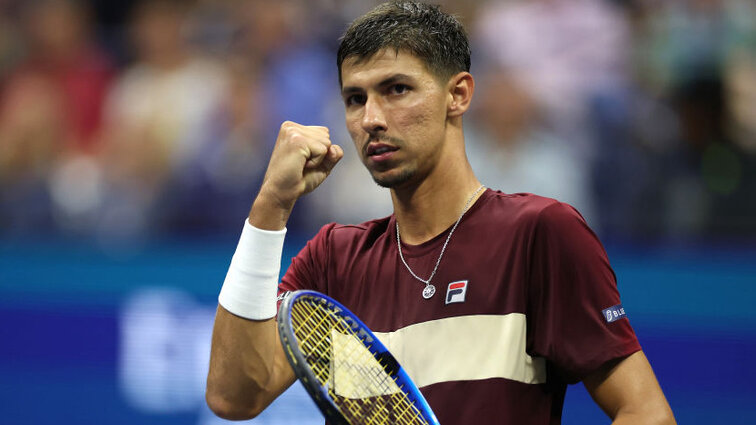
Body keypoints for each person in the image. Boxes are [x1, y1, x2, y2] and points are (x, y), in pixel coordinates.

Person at [206, 2, 676, 424]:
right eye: (356, 98)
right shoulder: (333, 259)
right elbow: (233, 398)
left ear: (459, 95)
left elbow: (645, 412)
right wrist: (271, 206)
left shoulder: (540, 233)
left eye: (396, 89)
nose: (371, 118)